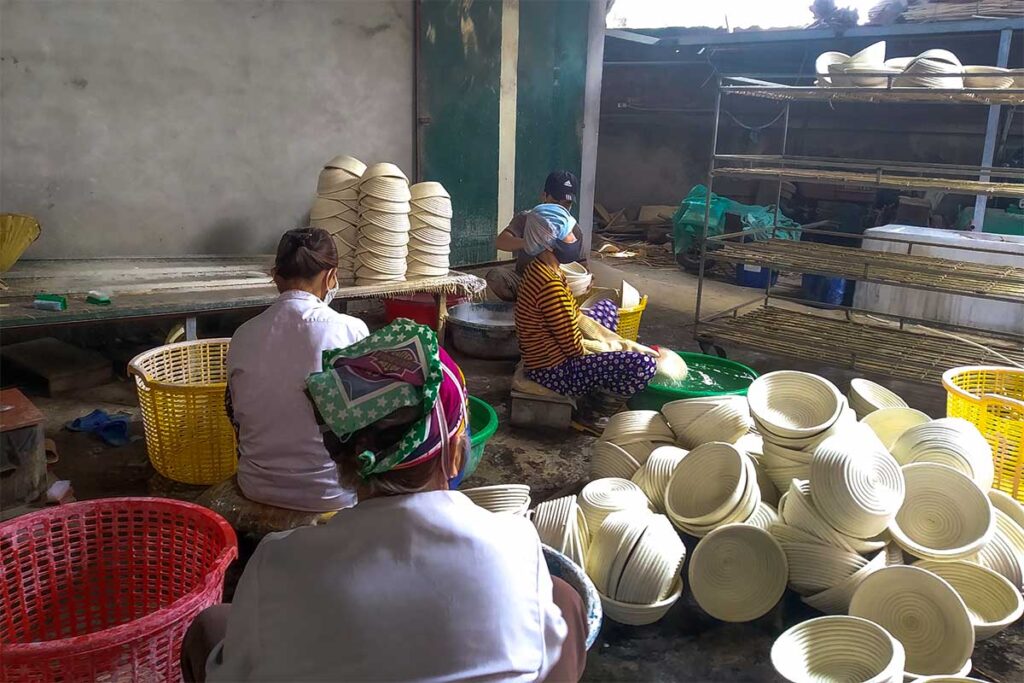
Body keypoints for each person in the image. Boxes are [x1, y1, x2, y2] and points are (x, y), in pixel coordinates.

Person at [182, 320, 588, 682]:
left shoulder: (277, 563)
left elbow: (230, 670)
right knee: (563, 598)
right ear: (457, 454)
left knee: (212, 625)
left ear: (343, 462)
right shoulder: (514, 545)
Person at [225, 227, 369, 513]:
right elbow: (366, 419)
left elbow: (235, 413)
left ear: (276, 276)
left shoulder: (243, 335)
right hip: (331, 493)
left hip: (256, 484)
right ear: (330, 277)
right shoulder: (350, 331)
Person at [513, 206, 656, 412]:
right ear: (550, 243)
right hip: (554, 370)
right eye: (569, 234)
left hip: (555, 351)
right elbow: (574, 349)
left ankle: (605, 367)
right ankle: (597, 409)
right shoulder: (549, 284)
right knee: (644, 365)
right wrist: (620, 347)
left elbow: (575, 315)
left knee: (607, 307)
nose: (574, 238)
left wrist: (611, 340)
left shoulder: (543, 268)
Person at [486, 170, 585, 302]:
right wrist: (531, 242)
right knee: (496, 276)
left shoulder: (573, 229)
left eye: (566, 204)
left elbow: (582, 264)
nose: (560, 208)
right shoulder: (528, 218)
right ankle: (526, 304)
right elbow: (500, 242)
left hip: (558, 286)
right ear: (544, 196)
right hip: (526, 281)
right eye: (555, 202)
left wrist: (585, 280)